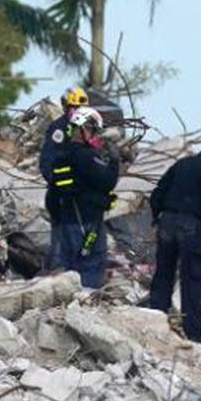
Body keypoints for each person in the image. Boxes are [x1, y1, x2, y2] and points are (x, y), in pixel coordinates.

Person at [147, 141, 201, 343]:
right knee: (193, 279)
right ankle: (193, 333)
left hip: (166, 222)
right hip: (191, 226)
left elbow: (157, 194)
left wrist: (156, 218)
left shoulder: (183, 163)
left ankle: (154, 319)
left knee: (163, 273)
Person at [45, 107, 120, 288]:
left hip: (67, 223)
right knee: (91, 266)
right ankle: (85, 306)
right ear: (84, 128)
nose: (95, 136)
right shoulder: (85, 156)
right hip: (87, 223)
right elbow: (107, 181)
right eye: (93, 131)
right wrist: (114, 161)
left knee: (70, 270)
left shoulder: (61, 157)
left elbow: (52, 198)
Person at [39, 86, 88, 182]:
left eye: (81, 108)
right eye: (74, 107)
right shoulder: (59, 128)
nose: (78, 112)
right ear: (66, 107)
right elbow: (47, 158)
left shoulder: (86, 127)